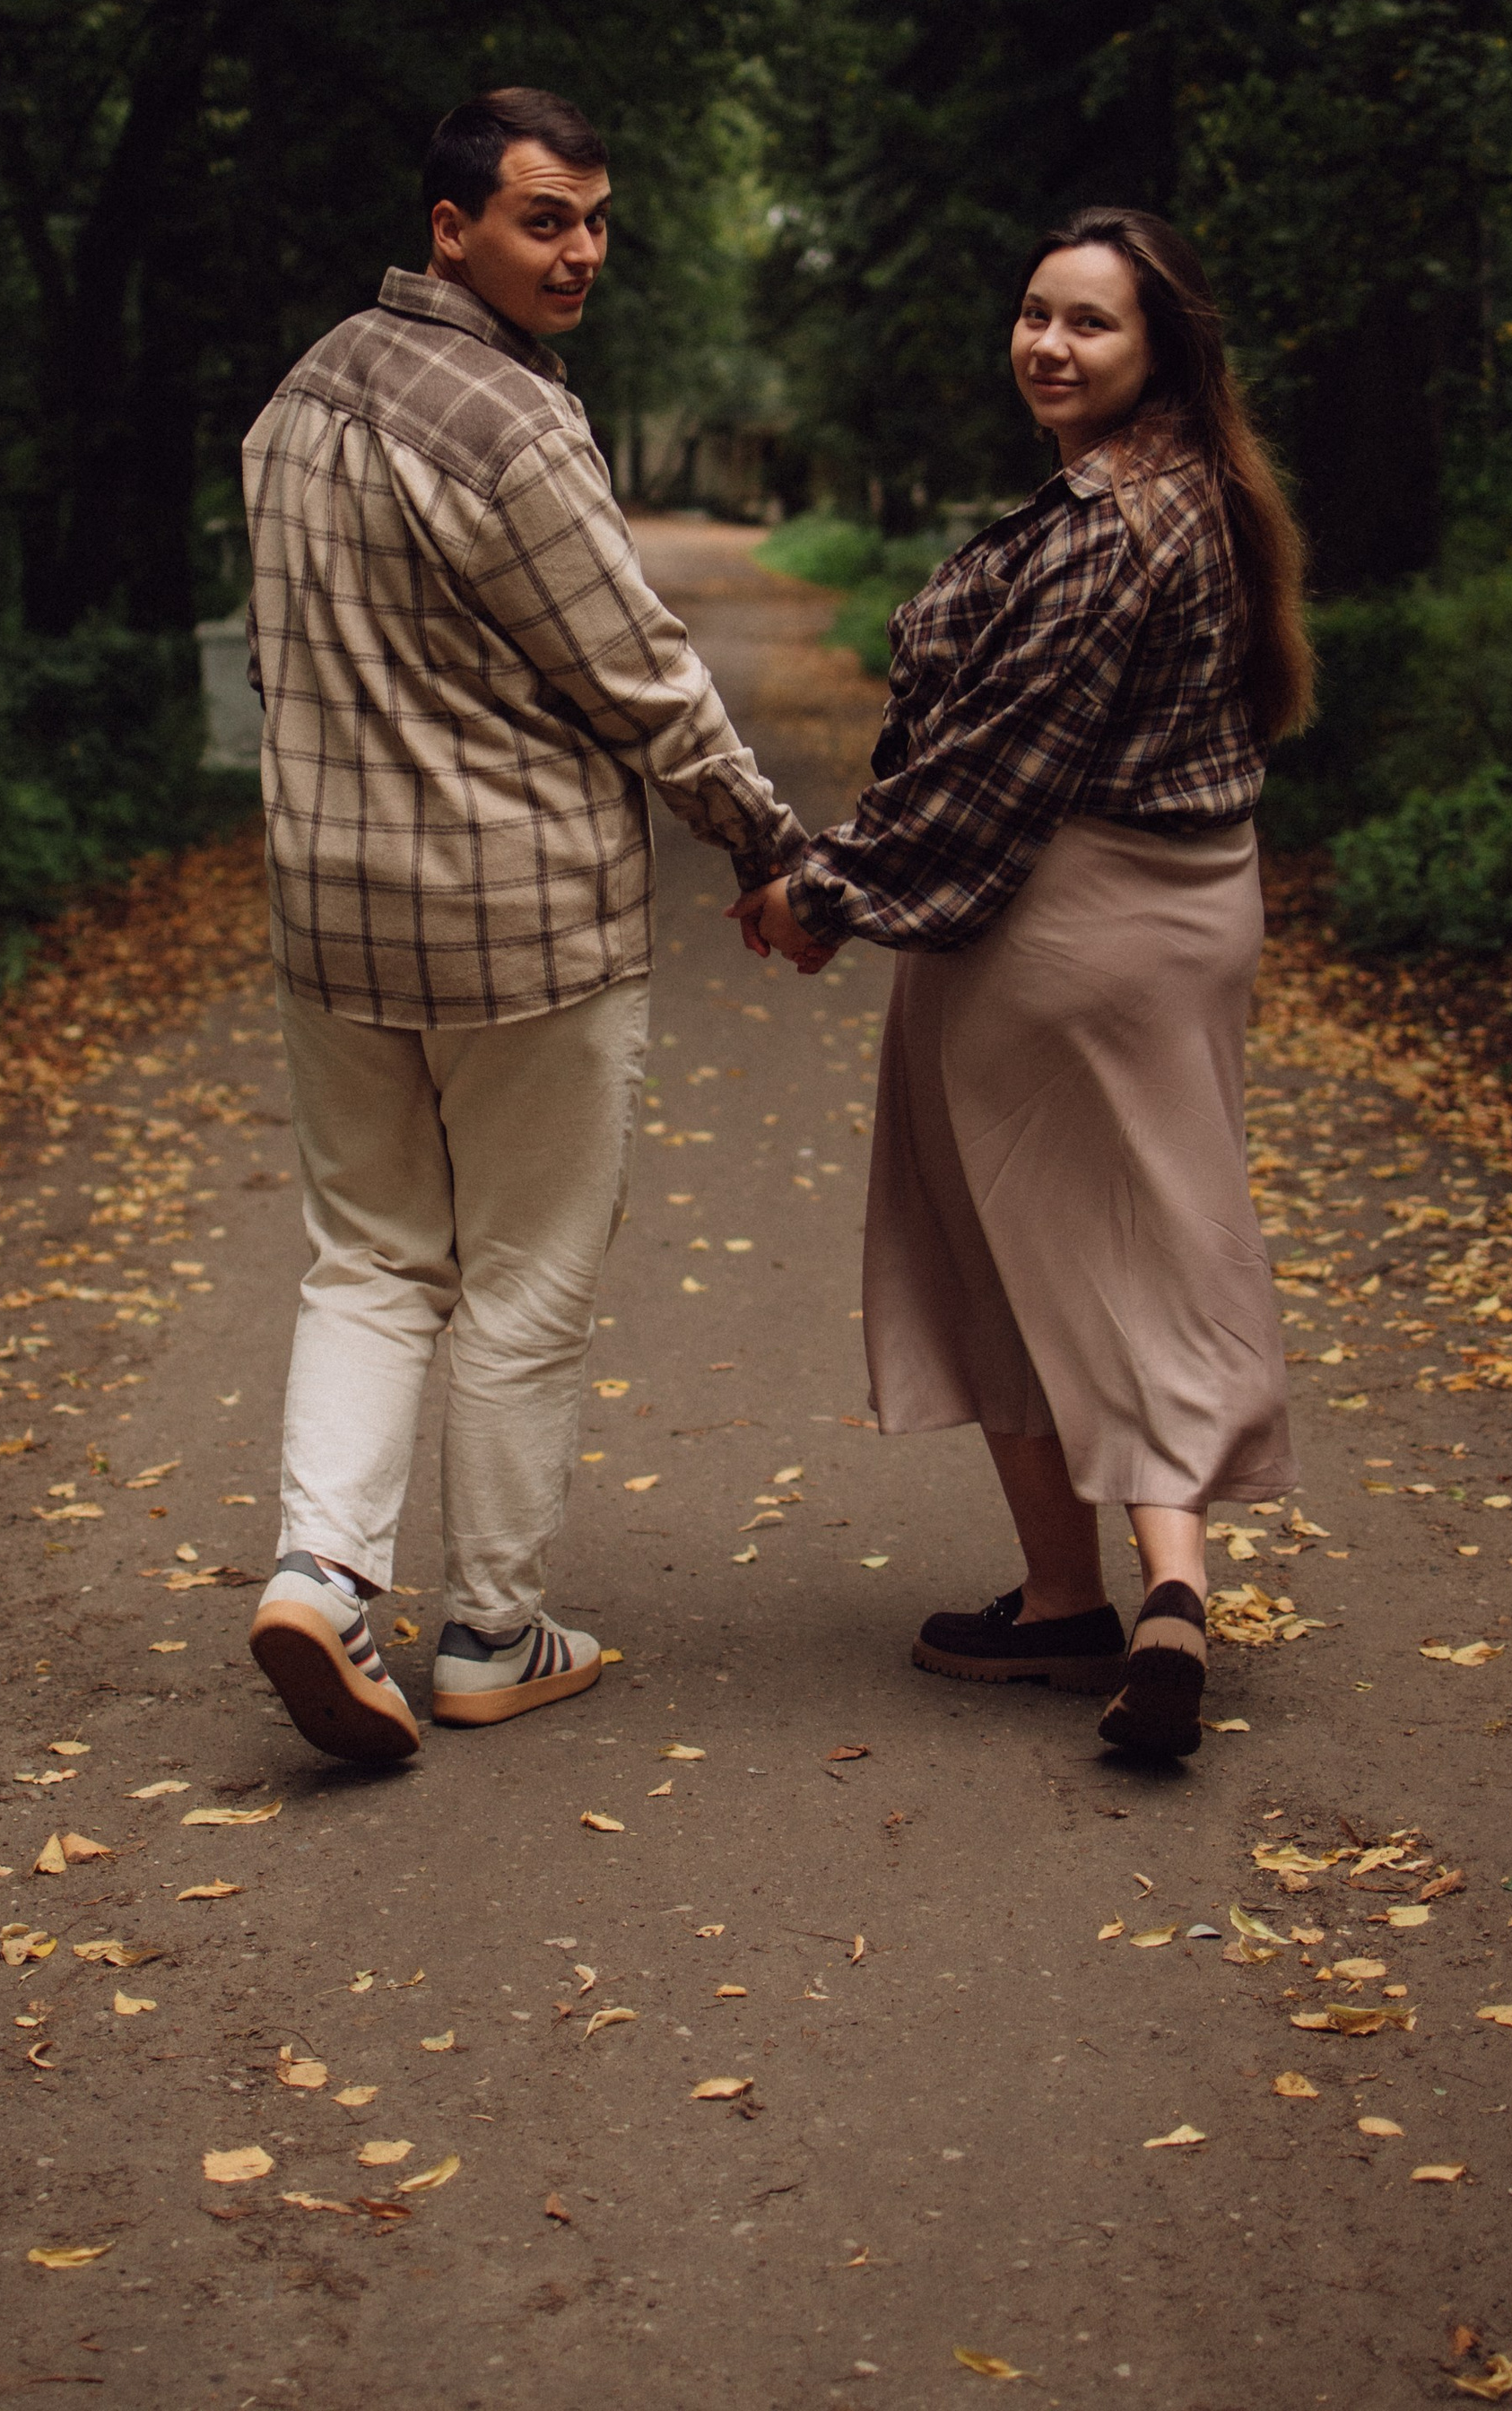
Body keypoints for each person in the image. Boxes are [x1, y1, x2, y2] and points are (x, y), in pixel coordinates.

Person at [240, 85, 804, 1766]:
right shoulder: (510, 423)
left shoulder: (292, 398)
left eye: (596, 220)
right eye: (545, 218)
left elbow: (287, 668)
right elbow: (638, 672)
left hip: (335, 919)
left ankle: (323, 1578)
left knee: (367, 1258)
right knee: (525, 1280)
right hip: (522, 926)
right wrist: (766, 846)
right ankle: (490, 1629)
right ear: (452, 230)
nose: (580, 251)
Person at [732, 208, 1314, 1763]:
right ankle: (1164, 1588)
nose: (1049, 345)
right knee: (1151, 1237)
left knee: (996, 1236)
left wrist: (824, 892)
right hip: (1192, 913)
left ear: (1160, 349)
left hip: (1061, 930)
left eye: (1090, 326)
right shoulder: (1205, 492)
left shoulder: (1113, 529)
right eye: (1036, 315)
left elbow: (996, 769)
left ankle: (1080, 1596)